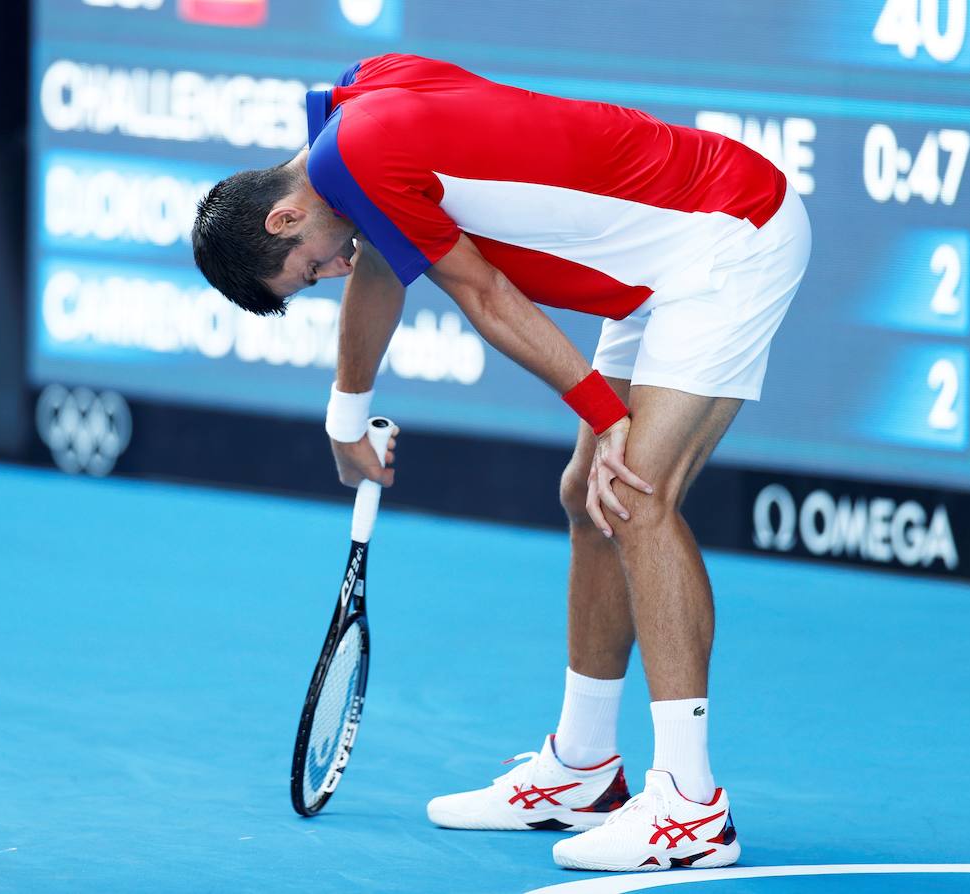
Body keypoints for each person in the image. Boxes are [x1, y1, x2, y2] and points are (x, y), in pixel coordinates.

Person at [191, 53, 810, 872]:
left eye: (310, 267)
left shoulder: (360, 151)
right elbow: (378, 263)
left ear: (281, 219)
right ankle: (584, 768)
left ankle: (691, 809)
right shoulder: (348, 121)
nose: (332, 271)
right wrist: (346, 420)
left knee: (635, 494)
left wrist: (601, 412)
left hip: (727, 233)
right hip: (652, 266)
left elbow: (484, 295)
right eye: (318, 279)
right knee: (584, 503)